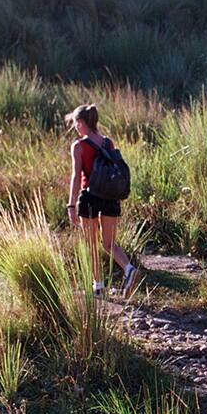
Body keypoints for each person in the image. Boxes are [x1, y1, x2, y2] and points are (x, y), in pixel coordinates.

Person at [65, 104, 140, 298]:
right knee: (109, 244)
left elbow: (76, 177)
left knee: (91, 244)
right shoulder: (108, 143)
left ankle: (98, 286)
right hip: (110, 197)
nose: (75, 127)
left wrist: (71, 205)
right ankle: (129, 269)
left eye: (75, 123)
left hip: (89, 197)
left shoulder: (78, 146)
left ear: (81, 123)